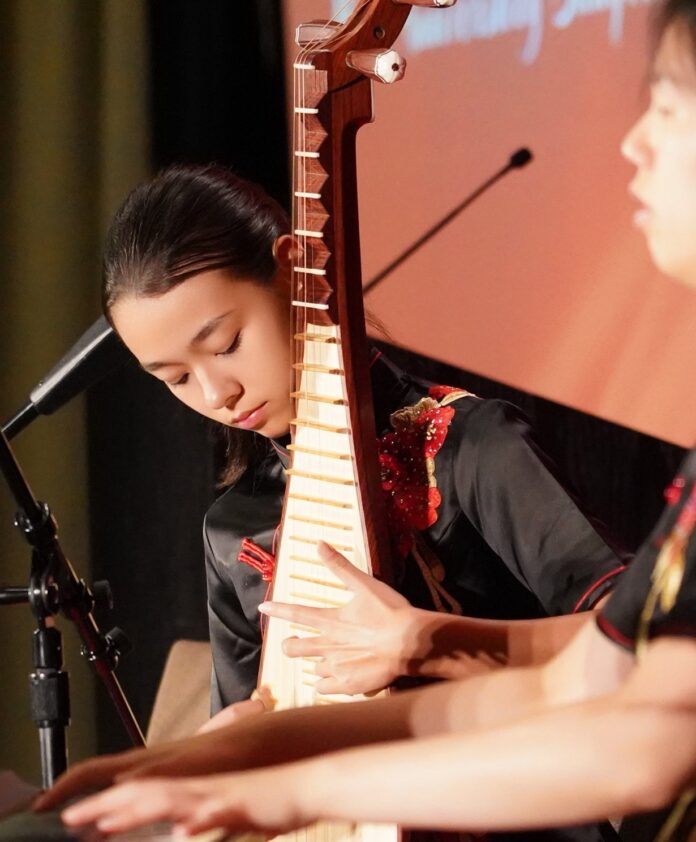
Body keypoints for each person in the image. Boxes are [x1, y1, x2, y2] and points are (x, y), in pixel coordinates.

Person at [33, 0, 696, 838]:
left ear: (295, 272)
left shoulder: (466, 445)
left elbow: (622, 677)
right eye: (174, 379)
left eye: (226, 343)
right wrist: (189, 766)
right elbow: (259, 722)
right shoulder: (234, 528)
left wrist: (427, 643)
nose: (216, 394)